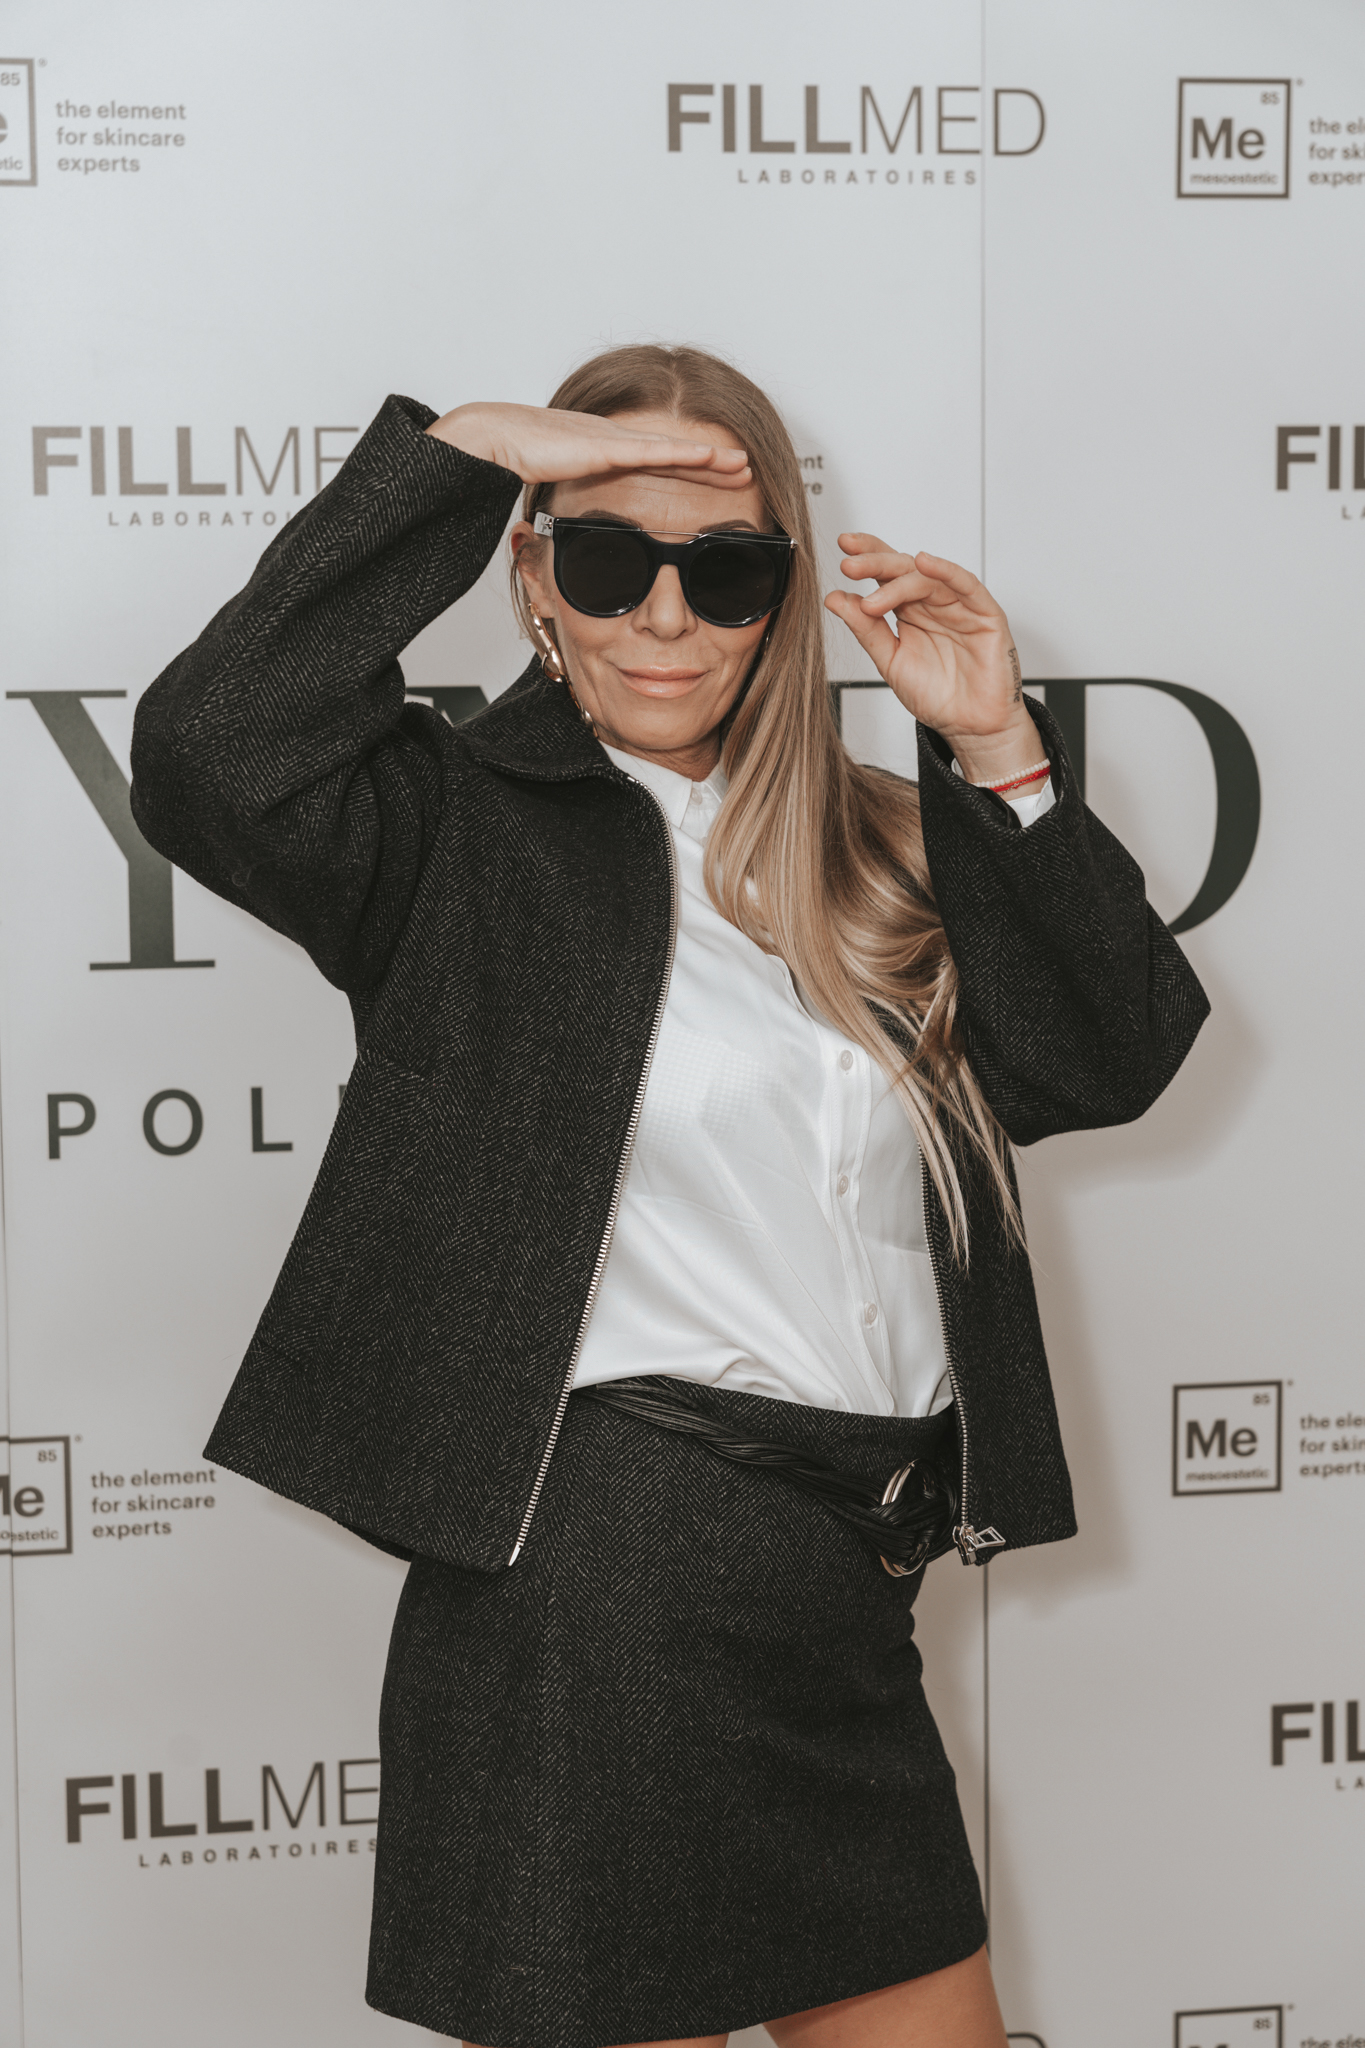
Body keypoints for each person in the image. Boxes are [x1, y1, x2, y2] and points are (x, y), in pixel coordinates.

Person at [130, 344, 1208, 2048]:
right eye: (605, 559)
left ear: (781, 599)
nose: (662, 617)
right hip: (596, 1576)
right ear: (535, 579)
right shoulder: (453, 829)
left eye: (723, 573)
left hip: (841, 1589)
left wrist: (996, 747)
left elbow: (1109, 1056)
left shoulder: (878, 843)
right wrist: (467, 455)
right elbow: (208, 745)